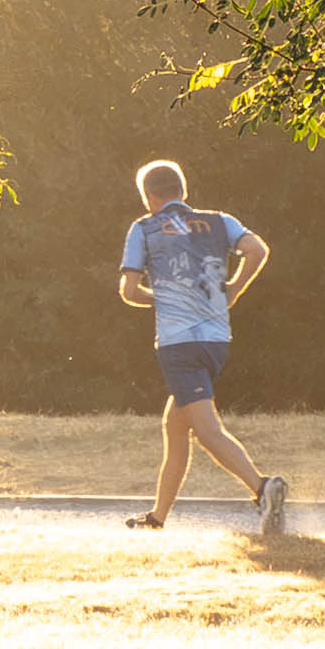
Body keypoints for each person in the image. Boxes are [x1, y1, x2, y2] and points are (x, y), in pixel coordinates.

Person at [116, 159, 287, 533]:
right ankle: (158, 518)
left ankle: (263, 490)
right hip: (216, 341)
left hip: (179, 344)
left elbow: (128, 291)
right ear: (183, 191)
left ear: (149, 197)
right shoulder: (219, 221)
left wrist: (161, 298)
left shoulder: (144, 228)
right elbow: (257, 250)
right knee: (175, 428)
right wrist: (235, 288)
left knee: (208, 431)